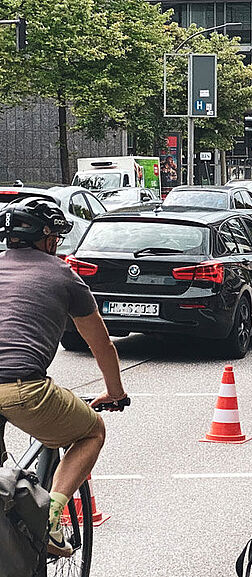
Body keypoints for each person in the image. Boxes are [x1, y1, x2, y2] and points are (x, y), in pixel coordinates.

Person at [0, 197, 127, 557]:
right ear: (45, 238)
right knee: (92, 431)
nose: (56, 241)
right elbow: (101, 344)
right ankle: (51, 519)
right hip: (24, 389)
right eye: (55, 234)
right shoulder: (62, 275)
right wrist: (114, 392)